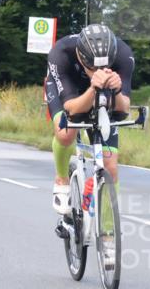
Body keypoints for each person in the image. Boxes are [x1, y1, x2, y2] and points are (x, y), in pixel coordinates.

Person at [45, 24, 134, 214]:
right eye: (93, 68)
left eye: (104, 67)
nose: (99, 71)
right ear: (80, 56)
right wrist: (93, 87)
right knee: (65, 133)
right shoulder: (60, 53)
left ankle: (108, 234)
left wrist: (117, 91)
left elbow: (123, 107)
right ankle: (61, 178)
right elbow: (71, 109)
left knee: (110, 167)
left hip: (103, 93)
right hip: (68, 91)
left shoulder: (124, 55)